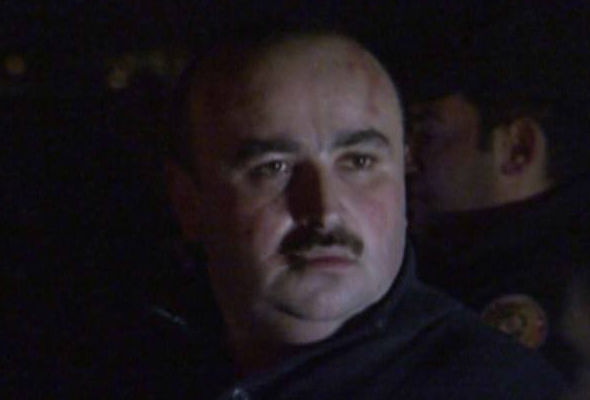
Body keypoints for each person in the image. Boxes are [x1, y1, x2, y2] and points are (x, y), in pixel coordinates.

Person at [158, 28, 565, 399]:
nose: (324, 210)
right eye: (273, 168)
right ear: (188, 200)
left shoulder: (498, 388)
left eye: (359, 162)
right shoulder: (143, 362)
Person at [404, 8, 590, 381]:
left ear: (517, 149)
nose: (404, 160)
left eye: (426, 135)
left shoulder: (568, 298)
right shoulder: (443, 262)